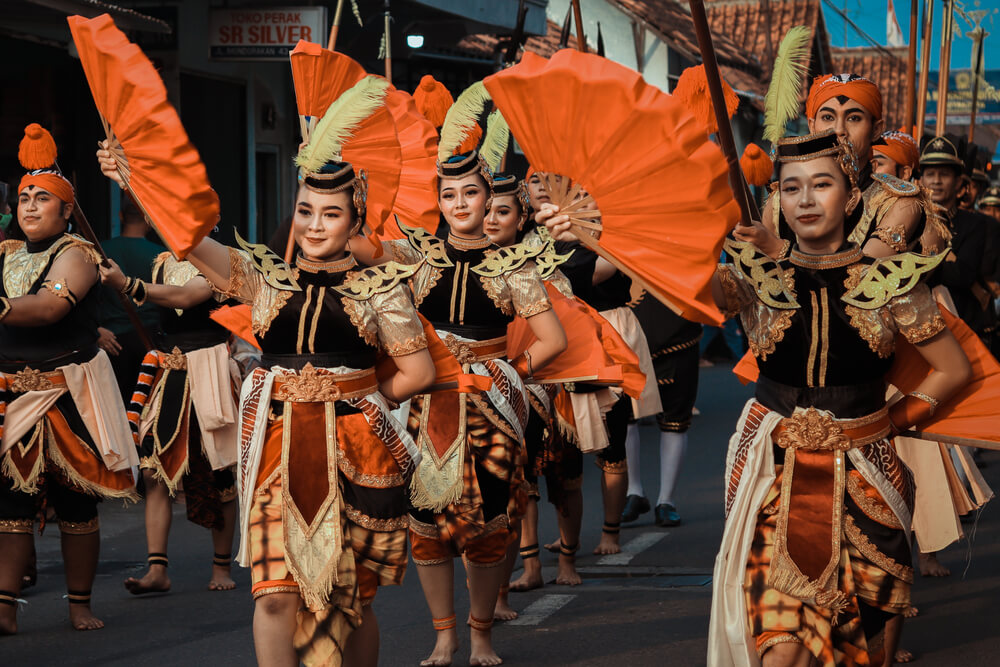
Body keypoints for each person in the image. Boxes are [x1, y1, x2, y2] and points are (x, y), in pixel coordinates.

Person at [98, 82, 438, 666]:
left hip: (360, 453)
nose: (313, 224)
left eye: (331, 213)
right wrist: (135, 182)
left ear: (355, 217)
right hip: (278, 450)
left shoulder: (380, 289)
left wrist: (358, 398)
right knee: (275, 597)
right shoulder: (265, 279)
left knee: (351, 600)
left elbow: (418, 370)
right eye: (305, 210)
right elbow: (190, 241)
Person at [703, 129, 972, 667]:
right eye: (791, 186)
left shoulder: (890, 282)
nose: (805, 199)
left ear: (851, 198)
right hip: (774, 477)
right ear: (776, 197)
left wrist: (894, 421)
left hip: (868, 477)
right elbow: (691, 287)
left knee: (864, 647)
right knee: (782, 650)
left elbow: (952, 369)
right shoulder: (753, 277)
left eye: (821, 184)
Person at [353, 138, 567, 665]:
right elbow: (356, 246)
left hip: (490, 408)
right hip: (427, 407)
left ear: (485, 197)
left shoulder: (512, 264)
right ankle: (444, 636)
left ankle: (480, 637)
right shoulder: (414, 254)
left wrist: (507, 373)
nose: (461, 204)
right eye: (450, 195)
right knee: (426, 526)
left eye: (471, 193)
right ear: (440, 202)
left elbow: (552, 339)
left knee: (489, 523)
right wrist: (349, 189)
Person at [1, 124, 138, 634]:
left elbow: (49, 309)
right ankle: (4, 606)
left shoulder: (78, 254)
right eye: (24, 198)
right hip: (11, 393)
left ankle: (79, 604)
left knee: (76, 503)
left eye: (42, 198)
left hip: (67, 396)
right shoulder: (6, 254)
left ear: (65, 209)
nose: (30, 206)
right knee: (10, 504)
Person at [98, 248, 240, 595]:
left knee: (218, 468)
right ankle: (157, 569)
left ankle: (221, 566)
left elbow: (187, 296)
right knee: (152, 470)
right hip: (169, 372)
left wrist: (128, 284)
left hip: (211, 371)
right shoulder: (162, 262)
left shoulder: (224, 258)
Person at [484, 174, 585, 610]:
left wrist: (521, 367)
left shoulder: (542, 261)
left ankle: (566, 559)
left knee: (563, 479)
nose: (490, 218)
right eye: (486, 209)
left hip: (547, 386)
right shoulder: (466, 261)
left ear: (522, 217)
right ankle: (519, 576)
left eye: (502, 210)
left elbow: (567, 320)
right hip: (497, 392)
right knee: (516, 488)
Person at [737, 73, 946, 259]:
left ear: (876, 130)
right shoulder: (780, 202)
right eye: (828, 117)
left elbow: (860, 277)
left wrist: (778, 249)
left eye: (854, 118)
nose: (839, 130)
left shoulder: (898, 202)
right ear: (812, 127)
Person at [623, 296, 701, 527]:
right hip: (627, 330)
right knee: (625, 418)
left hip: (678, 330)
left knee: (675, 420)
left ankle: (666, 500)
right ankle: (633, 490)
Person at [918, 135, 999, 348]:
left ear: (959, 183)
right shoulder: (911, 220)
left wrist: (920, 266)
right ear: (920, 180)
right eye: (930, 174)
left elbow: (962, 275)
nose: (936, 181)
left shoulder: (976, 224)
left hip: (964, 329)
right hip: (918, 329)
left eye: (944, 174)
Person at [96, 193, 162, 402]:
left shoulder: (101, 251)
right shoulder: (161, 255)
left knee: (113, 409)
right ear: (148, 220)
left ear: (121, 216)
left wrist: (94, 330)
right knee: (146, 410)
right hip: (151, 341)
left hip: (111, 340)